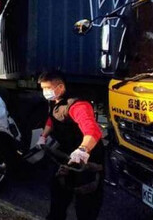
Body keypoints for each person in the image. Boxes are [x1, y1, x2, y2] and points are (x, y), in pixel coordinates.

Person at [37, 71, 104, 220]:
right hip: (66, 157)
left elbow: (93, 130)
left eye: (47, 88)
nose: (45, 92)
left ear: (60, 87)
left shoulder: (77, 105)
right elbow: (52, 119)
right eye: (42, 88)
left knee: (86, 206)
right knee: (58, 198)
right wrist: (43, 136)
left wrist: (83, 150)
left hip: (86, 160)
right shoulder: (55, 102)